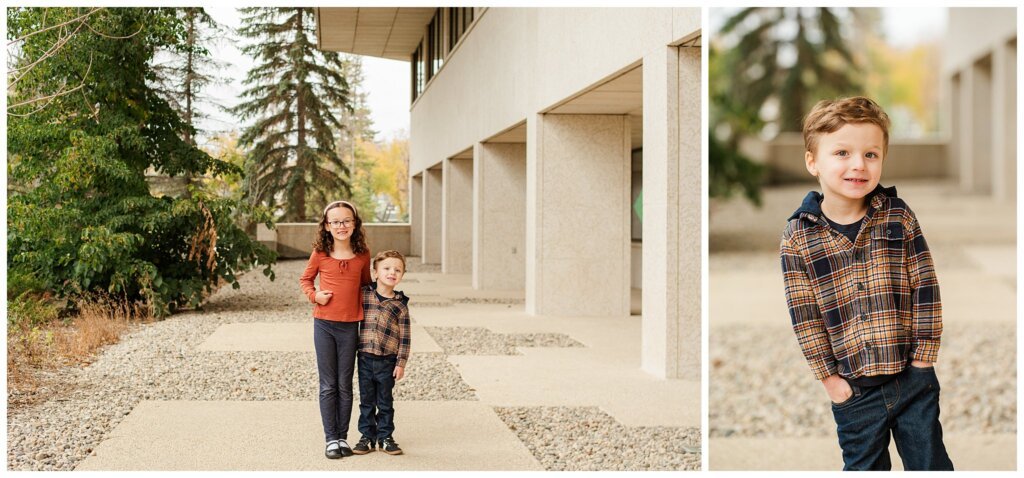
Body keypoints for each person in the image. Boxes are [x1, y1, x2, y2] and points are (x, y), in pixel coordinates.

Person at [779, 96, 953, 471]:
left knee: (930, 463)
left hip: (911, 378)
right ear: (813, 162)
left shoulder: (898, 216)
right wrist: (829, 379)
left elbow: (925, 285)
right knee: (864, 467)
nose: (858, 164)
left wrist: (924, 358)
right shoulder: (798, 236)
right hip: (853, 388)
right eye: (842, 152)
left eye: (871, 154)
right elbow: (804, 316)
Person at [299, 200, 372, 459]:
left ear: (354, 223)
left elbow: (366, 287)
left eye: (346, 221)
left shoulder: (363, 255)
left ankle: (343, 436)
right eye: (335, 222)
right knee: (328, 384)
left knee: (345, 384)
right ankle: (331, 438)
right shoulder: (320, 254)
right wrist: (314, 295)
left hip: (351, 327)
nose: (341, 226)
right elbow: (305, 279)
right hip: (325, 325)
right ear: (327, 226)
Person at [351, 250, 411, 456]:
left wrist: (401, 363)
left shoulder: (400, 306)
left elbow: (405, 337)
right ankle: (367, 436)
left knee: (385, 401)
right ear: (375, 273)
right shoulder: (364, 294)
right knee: (367, 401)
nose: (392, 272)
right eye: (386, 268)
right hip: (365, 358)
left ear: (402, 275)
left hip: (388, 360)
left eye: (397, 270)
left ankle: (385, 436)